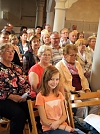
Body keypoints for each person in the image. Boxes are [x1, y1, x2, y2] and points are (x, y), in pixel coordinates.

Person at [55, 44, 99, 118]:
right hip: (70, 93)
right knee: (81, 107)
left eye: (75, 55)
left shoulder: (77, 64)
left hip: (82, 91)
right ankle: (80, 124)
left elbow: (83, 78)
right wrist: (73, 90)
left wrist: (86, 89)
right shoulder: (59, 66)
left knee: (96, 104)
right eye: (72, 55)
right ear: (65, 55)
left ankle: (89, 123)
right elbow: (62, 83)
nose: (74, 57)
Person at [0, 42, 31, 134]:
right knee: (18, 115)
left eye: (12, 51)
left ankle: (37, 131)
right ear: (1, 53)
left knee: (33, 109)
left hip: (19, 98)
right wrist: (11, 96)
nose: (11, 53)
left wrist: (24, 94)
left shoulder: (17, 68)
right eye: (8, 51)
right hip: (3, 99)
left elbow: (26, 83)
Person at [35, 66, 74, 134]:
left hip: (64, 127)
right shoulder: (40, 96)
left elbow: (64, 115)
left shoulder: (59, 94)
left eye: (57, 79)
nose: (54, 82)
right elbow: (44, 120)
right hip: (49, 129)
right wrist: (62, 127)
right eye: (51, 79)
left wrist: (59, 124)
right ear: (45, 79)